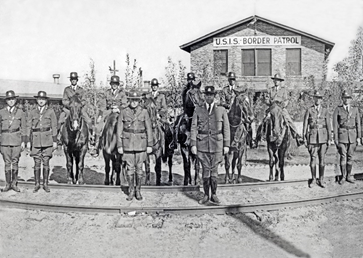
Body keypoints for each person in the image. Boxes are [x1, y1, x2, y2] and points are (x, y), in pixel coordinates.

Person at [191, 86, 230, 204]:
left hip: (217, 145)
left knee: (214, 172)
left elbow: (226, 128)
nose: (209, 97)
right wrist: (193, 144)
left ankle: (214, 194)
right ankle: (206, 195)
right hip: (202, 145)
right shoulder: (198, 109)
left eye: (211, 95)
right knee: (205, 172)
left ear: (214, 96)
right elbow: (193, 128)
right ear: (204, 96)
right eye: (207, 95)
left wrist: (226, 144)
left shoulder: (221, 110)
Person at [117, 89, 153, 201]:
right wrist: (119, 145)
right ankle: (131, 190)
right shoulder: (124, 112)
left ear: (139, 101)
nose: (134, 102)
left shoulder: (144, 112)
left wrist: (150, 144)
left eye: (136, 100)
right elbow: (119, 130)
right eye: (132, 100)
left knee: (139, 169)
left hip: (141, 144)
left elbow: (149, 129)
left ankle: (138, 190)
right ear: (129, 100)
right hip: (127, 144)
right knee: (129, 169)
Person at [58, 72, 103, 155]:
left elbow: (84, 100)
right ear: (70, 80)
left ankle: (90, 139)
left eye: (75, 79)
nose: (73, 81)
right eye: (72, 79)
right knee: (61, 118)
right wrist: (70, 105)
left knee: (88, 120)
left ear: (77, 80)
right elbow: (64, 100)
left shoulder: (81, 90)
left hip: (79, 109)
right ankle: (60, 137)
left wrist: (79, 105)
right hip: (69, 109)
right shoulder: (67, 89)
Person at [26, 91, 57, 193]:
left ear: (46, 100)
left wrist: (55, 141)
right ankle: (37, 184)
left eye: (43, 99)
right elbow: (28, 127)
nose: (41, 101)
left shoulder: (50, 112)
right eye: (39, 99)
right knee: (37, 163)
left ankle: (45, 184)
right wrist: (28, 141)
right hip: (35, 139)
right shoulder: (32, 112)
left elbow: (54, 126)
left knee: (46, 162)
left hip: (47, 140)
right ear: (37, 100)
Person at [265, 73, 304, 146]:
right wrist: (270, 101)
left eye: (278, 80)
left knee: (288, 120)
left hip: (281, 108)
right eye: (275, 80)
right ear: (273, 81)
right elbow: (266, 99)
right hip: (272, 108)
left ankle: (297, 136)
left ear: (280, 82)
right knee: (265, 120)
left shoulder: (283, 90)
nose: (276, 81)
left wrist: (283, 104)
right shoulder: (270, 90)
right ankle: (258, 137)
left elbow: (286, 100)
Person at [302, 90, 331, 188]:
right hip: (313, 137)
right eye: (316, 98)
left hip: (323, 137)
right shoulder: (309, 110)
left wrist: (329, 138)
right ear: (313, 99)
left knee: (322, 159)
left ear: (321, 100)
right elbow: (305, 125)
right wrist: (305, 138)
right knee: (313, 158)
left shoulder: (325, 110)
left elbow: (328, 125)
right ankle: (314, 179)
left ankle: (321, 179)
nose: (318, 100)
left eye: (320, 98)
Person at [333, 90, 362, 184]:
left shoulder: (355, 109)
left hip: (352, 136)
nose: (347, 100)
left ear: (351, 99)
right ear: (342, 98)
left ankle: (349, 176)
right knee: (343, 156)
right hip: (342, 136)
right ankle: (343, 177)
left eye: (349, 98)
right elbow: (335, 125)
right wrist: (336, 138)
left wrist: (359, 137)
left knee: (350, 157)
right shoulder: (338, 109)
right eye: (345, 98)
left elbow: (358, 124)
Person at [0, 90, 26, 192]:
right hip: (5, 140)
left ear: (15, 100)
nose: (11, 101)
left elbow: (23, 128)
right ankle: (7, 184)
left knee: (15, 162)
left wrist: (23, 141)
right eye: (9, 99)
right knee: (7, 163)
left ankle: (14, 184)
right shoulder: (1, 112)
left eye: (12, 99)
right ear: (6, 101)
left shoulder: (21, 112)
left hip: (16, 140)